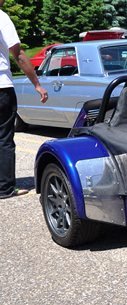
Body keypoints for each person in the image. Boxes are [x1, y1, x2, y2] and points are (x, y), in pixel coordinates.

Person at [0, 0, 48, 200]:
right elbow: (18, 54)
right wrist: (37, 84)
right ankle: (4, 188)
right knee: (3, 138)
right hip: (1, 87)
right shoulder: (1, 17)